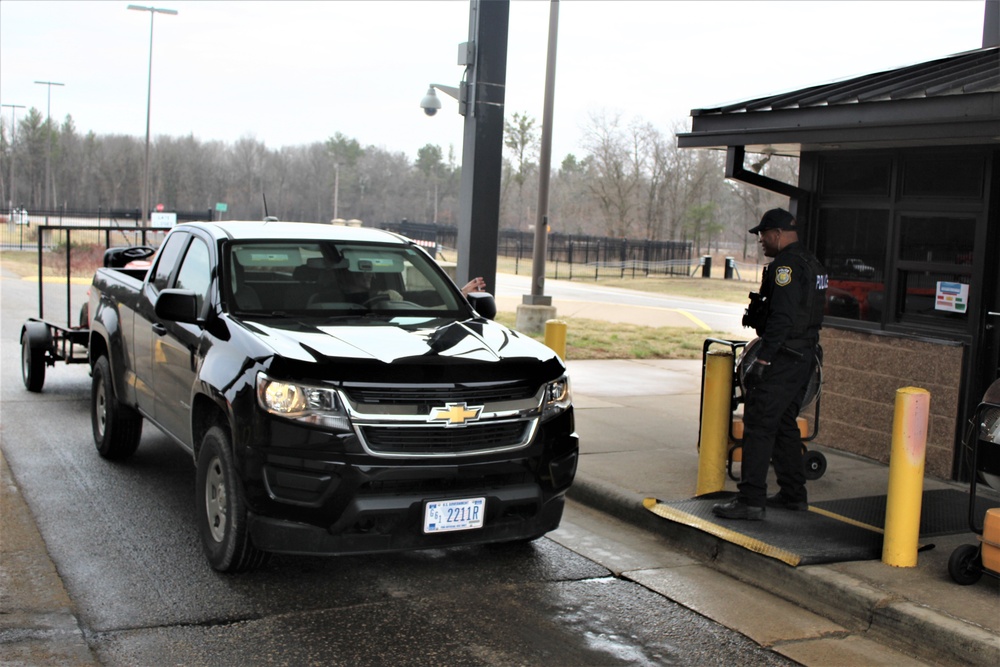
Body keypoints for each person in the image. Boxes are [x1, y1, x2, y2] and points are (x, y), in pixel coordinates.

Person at [713, 208, 828, 521]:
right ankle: (794, 494)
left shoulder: (786, 266)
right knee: (783, 424)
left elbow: (783, 317)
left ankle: (750, 500)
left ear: (777, 233)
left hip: (783, 356)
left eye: (763, 235)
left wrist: (764, 357)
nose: (761, 241)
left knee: (760, 423)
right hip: (804, 355)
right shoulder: (812, 262)